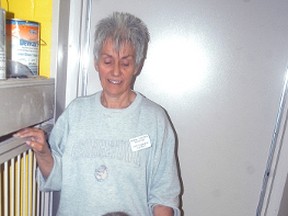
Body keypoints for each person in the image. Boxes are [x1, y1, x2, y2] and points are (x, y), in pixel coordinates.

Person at [14, 12, 181, 216]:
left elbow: (164, 196)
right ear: (96, 62)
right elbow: (56, 179)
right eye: (108, 61)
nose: (116, 71)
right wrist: (42, 152)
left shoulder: (155, 120)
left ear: (137, 66)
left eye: (126, 63)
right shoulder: (76, 112)